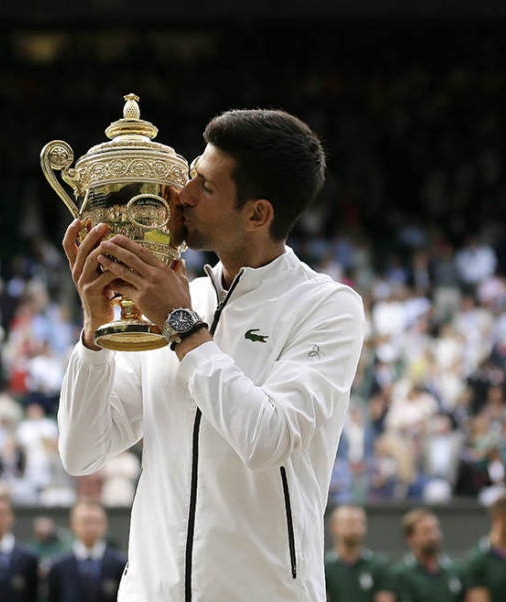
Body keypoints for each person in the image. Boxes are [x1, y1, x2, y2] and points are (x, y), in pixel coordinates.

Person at [59, 109, 365, 601]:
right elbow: (80, 452)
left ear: (257, 214)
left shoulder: (327, 308)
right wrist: (95, 335)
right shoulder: (178, 299)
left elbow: (267, 438)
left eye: (203, 185)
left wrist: (182, 327)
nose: (180, 195)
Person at [47, 501, 127, 602]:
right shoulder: (59, 566)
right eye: (86, 522)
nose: (91, 528)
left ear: (105, 525)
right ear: (73, 525)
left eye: (97, 522)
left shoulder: (120, 565)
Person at [390, 509, 464, 602]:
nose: (433, 537)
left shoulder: (457, 570)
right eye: (426, 532)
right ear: (410, 538)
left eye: (436, 530)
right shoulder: (399, 575)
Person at [324, 506, 393, 602]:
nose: (356, 528)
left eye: (361, 523)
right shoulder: (324, 566)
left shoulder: (379, 565)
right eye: (350, 523)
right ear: (334, 527)